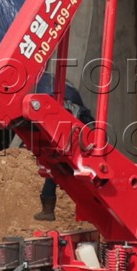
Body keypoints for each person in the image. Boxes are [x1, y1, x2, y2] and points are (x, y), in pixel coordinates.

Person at [35, 78, 95, 222]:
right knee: (57, 167)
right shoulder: (48, 83)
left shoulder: (43, 84)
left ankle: (48, 210)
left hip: (70, 128)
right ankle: (48, 209)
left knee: (57, 167)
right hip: (73, 126)